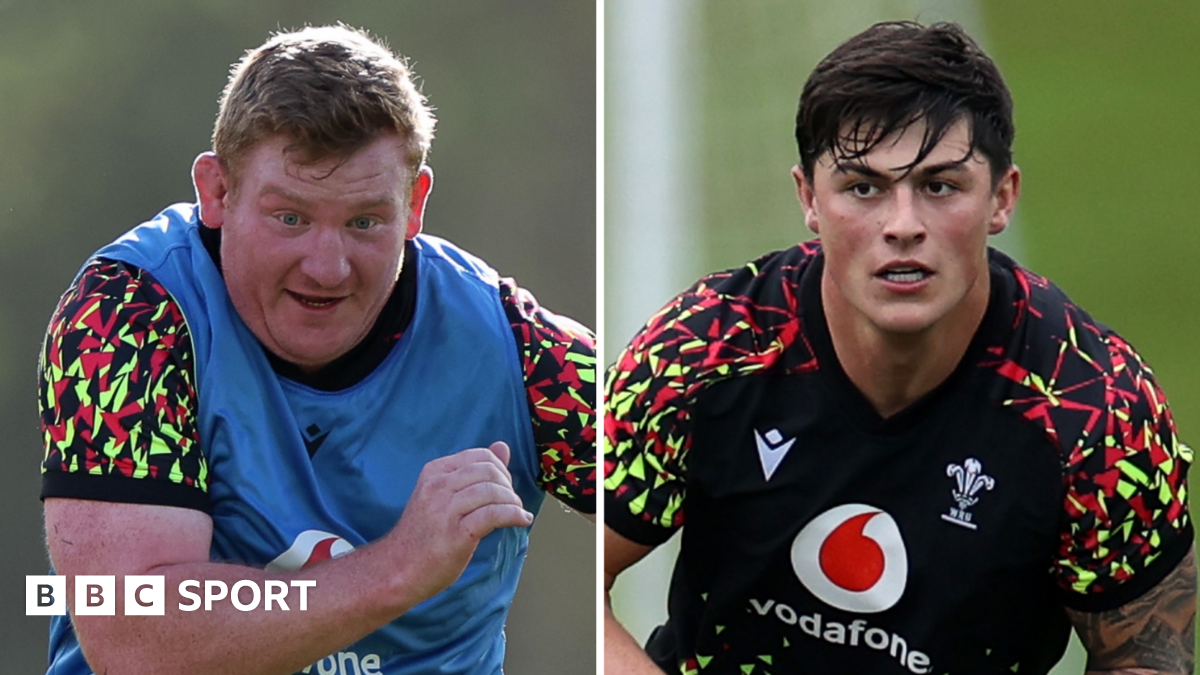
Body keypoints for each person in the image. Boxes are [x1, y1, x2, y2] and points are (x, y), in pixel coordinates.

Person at [604, 20, 1194, 675]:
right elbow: (577, 572)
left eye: (940, 186)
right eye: (864, 188)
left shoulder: (1094, 406)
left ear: (1002, 198)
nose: (903, 226)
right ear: (809, 198)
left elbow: (1147, 652)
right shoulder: (705, 348)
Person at [38, 24, 595, 675]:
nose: (327, 267)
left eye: (364, 221)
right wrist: (398, 568)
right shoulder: (128, 318)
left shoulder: (514, 347)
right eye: (290, 218)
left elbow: (678, 472)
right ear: (217, 192)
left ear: (414, 204)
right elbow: (136, 642)